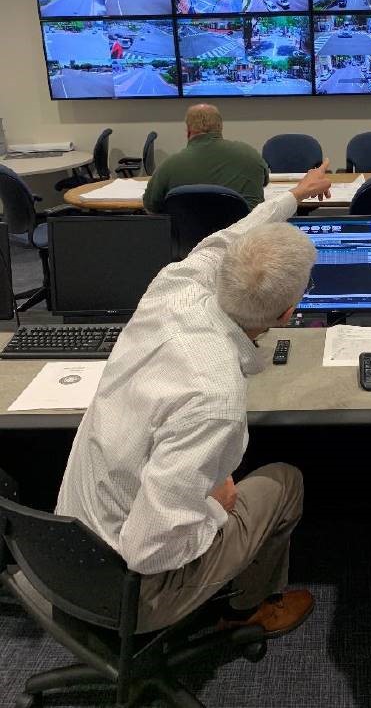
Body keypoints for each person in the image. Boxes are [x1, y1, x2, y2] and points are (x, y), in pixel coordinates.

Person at [56, 161, 332, 634]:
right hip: (131, 590)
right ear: (288, 313)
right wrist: (213, 506)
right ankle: (246, 613)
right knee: (283, 483)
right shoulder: (215, 397)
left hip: (65, 552)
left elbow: (223, 241)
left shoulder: (173, 287)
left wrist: (294, 196)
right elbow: (150, 548)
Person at [143, 104, 268, 214]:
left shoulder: (169, 166)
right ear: (220, 128)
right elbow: (264, 182)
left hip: (190, 239)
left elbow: (150, 206)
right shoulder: (250, 156)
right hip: (245, 238)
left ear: (188, 132)